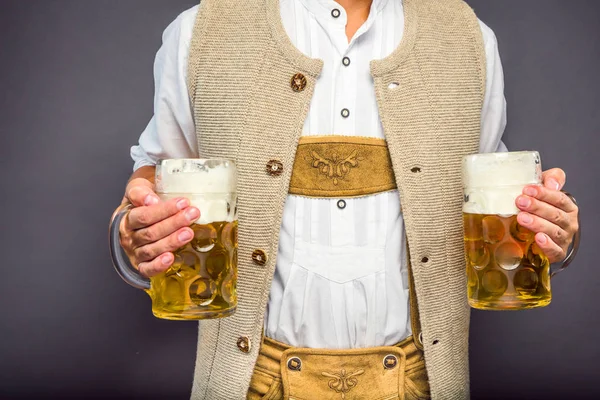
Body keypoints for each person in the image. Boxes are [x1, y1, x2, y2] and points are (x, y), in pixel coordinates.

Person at [114, 0, 580, 398]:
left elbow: (488, 201)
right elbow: (155, 181)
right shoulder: (200, 30)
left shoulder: (470, 37)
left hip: (424, 382)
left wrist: (548, 234)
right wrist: (133, 234)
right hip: (244, 382)